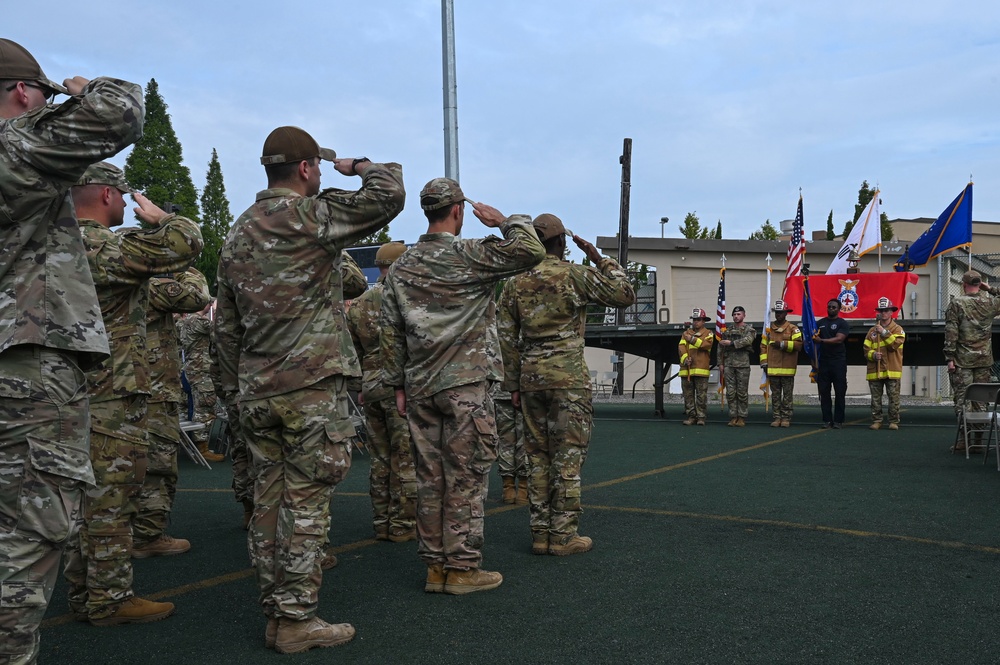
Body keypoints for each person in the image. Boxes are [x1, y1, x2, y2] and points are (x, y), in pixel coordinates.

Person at [215, 125, 404, 654]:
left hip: (256, 391)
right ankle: (297, 620)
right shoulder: (309, 217)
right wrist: (360, 165)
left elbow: (225, 325)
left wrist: (236, 386)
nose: (320, 175)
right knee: (306, 505)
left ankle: (278, 615)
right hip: (310, 388)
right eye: (316, 168)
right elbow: (389, 193)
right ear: (305, 169)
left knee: (269, 503)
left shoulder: (238, 230)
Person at [0, 39, 144, 662]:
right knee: (24, 542)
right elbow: (121, 112)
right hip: (23, 371)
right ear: (24, 94)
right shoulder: (15, 147)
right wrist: (79, 88)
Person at [380, 178, 545, 595]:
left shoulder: (402, 266)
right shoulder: (471, 254)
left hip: (419, 386)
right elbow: (531, 251)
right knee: (467, 477)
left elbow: (391, 331)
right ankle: (463, 569)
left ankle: (435, 567)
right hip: (465, 386)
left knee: (430, 478)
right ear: (457, 211)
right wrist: (505, 220)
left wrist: (398, 383)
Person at [62, 162, 203, 626]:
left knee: (87, 499)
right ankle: (108, 599)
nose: (127, 204)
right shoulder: (95, 243)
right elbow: (186, 244)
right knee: (110, 497)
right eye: (123, 196)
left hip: (76, 389)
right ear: (106, 194)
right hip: (108, 392)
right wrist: (163, 219)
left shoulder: (55, 242)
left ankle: (87, 592)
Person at [498, 214, 635, 556]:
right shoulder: (575, 274)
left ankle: (540, 533)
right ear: (561, 243)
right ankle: (563, 536)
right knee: (567, 457)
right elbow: (625, 294)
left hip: (531, 380)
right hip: (567, 379)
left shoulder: (515, 283)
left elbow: (504, 336)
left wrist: (513, 383)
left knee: (538, 457)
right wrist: (600, 259)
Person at [132, 268, 211, 558]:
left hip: (126, 387)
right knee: (158, 465)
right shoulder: (147, 287)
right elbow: (197, 296)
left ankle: (127, 533)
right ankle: (147, 536)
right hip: (154, 391)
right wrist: (183, 272)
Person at [346, 242, 417, 542]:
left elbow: (354, 351)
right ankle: (402, 523)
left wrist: (361, 385)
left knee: (380, 458)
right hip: (399, 382)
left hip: (371, 385)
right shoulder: (407, 298)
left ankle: (381, 521)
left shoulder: (359, 304)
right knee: (405, 456)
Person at [944, 270, 1000, 450]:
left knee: (963, 400)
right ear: (979, 284)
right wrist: (990, 288)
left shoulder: (957, 303)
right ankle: (978, 441)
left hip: (963, 360)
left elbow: (951, 332)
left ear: (963, 284)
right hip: (984, 360)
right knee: (980, 400)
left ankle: (963, 440)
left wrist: (949, 357)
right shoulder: (990, 303)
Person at [178, 302, 225, 462]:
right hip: (202, 371)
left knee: (190, 407)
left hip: (190, 369)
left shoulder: (183, 322)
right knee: (205, 408)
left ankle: (192, 444)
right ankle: (202, 448)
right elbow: (221, 334)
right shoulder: (200, 322)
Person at [864, 297, 905, 431]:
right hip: (875, 369)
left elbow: (894, 345)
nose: (883, 313)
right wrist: (873, 355)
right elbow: (866, 350)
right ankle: (877, 420)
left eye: (886, 310)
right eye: (881, 310)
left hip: (892, 370)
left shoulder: (898, 329)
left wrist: (884, 332)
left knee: (893, 398)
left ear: (891, 312)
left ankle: (893, 421)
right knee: (875, 399)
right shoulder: (871, 331)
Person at [759, 300, 802, 427]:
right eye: (777, 312)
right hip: (772, 368)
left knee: (787, 396)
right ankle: (777, 418)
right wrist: (764, 363)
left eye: (781, 312)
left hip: (787, 369)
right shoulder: (768, 329)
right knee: (776, 396)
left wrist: (782, 344)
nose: (779, 314)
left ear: (786, 313)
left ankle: (786, 418)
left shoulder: (793, 329)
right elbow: (763, 347)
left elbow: (799, 345)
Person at [717, 305, 757, 427]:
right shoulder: (727, 331)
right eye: (734, 314)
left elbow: (748, 341)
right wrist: (720, 363)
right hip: (729, 364)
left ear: (744, 315)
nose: (736, 316)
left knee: (742, 392)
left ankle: (742, 417)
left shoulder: (749, 330)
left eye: (738, 314)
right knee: (730, 392)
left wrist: (732, 343)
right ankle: (733, 416)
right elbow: (720, 348)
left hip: (742, 365)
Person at [814, 299, 851, 429]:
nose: (831, 308)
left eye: (834, 307)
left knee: (840, 392)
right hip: (823, 362)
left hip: (838, 362)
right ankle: (827, 420)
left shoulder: (842, 323)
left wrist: (821, 340)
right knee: (824, 393)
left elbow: (839, 339)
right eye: (829, 306)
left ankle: (838, 421)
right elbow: (811, 335)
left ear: (839, 309)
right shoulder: (820, 323)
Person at [492, 384, 528, 505]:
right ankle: (523, 488)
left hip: (502, 389)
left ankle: (508, 488)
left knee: (505, 440)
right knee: (524, 438)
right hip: (525, 387)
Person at [678, 308, 714, 425]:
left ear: (704, 321)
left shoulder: (708, 333)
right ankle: (691, 417)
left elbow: (706, 345)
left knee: (701, 396)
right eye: (694, 319)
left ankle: (701, 417)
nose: (696, 322)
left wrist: (692, 339)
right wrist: (684, 359)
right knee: (688, 395)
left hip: (701, 369)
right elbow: (681, 347)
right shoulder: (685, 334)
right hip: (686, 369)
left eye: (698, 320)